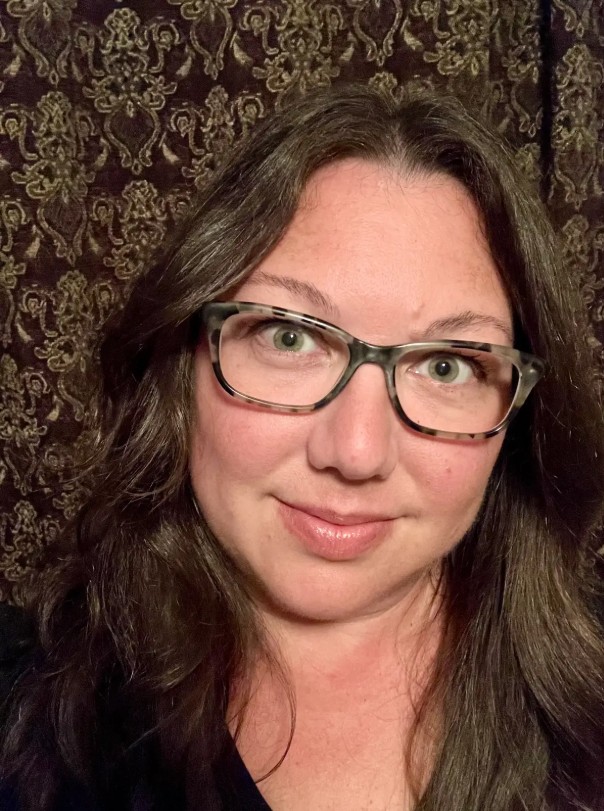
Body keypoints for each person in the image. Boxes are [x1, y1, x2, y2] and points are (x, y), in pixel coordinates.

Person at [0, 83, 603, 811]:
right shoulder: (27, 719)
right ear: (180, 356)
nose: (355, 452)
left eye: (447, 366)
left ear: (521, 420)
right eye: (289, 337)